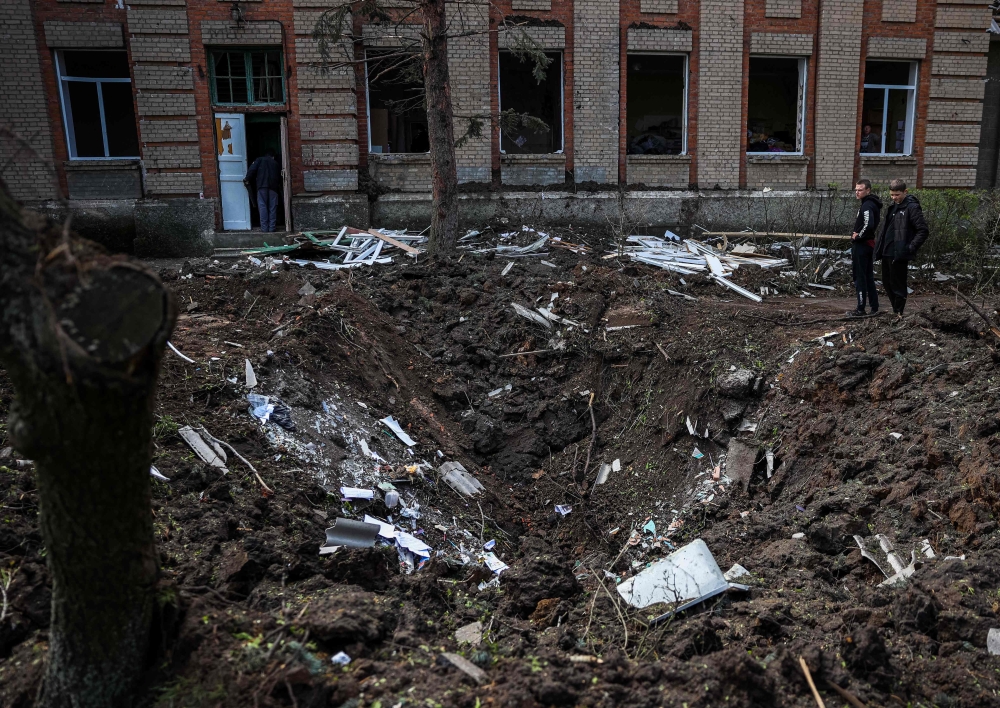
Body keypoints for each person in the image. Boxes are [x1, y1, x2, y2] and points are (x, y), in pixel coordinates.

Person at [874, 179, 929, 318]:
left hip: (899, 253)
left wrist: (909, 248)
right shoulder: (893, 207)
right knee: (887, 283)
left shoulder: (911, 207)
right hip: (887, 252)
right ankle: (895, 311)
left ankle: (899, 313)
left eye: (897, 195)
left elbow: (922, 230)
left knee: (897, 285)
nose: (894, 198)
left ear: (905, 192)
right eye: (892, 195)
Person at [848, 179, 882, 316]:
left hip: (862, 246)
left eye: (860, 190)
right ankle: (874, 307)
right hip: (868, 245)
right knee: (868, 277)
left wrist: (858, 236)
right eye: (856, 190)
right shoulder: (870, 204)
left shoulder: (867, 205)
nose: (857, 192)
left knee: (860, 277)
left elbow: (869, 225)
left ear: (868, 190)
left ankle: (860, 308)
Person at [244, 148, 281, 233]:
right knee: (273, 207)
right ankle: (272, 228)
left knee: (262, 207)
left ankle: (264, 228)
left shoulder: (259, 160)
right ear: (273, 156)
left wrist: (247, 179)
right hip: (273, 188)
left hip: (261, 187)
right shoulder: (275, 163)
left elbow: (252, 170)